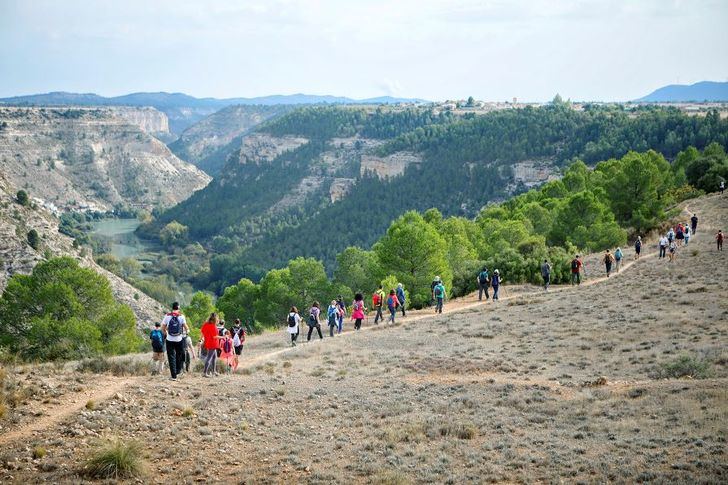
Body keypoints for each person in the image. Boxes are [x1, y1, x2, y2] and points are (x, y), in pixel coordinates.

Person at [161, 302, 190, 381]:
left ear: (172, 308)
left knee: (171, 357)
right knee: (179, 355)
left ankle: (173, 376)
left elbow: (162, 327)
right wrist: (187, 332)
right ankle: (178, 370)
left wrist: (166, 334)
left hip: (169, 339)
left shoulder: (167, 316)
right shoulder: (181, 316)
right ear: (178, 308)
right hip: (179, 339)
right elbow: (186, 327)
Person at [200, 313, 222, 378]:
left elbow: (202, 332)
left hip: (208, 342)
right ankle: (204, 373)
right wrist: (223, 337)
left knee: (214, 357)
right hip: (212, 343)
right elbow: (215, 337)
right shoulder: (213, 327)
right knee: (209, 358)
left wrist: (200, 340)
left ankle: (214, 371)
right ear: (215, 320)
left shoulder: (206, 324)